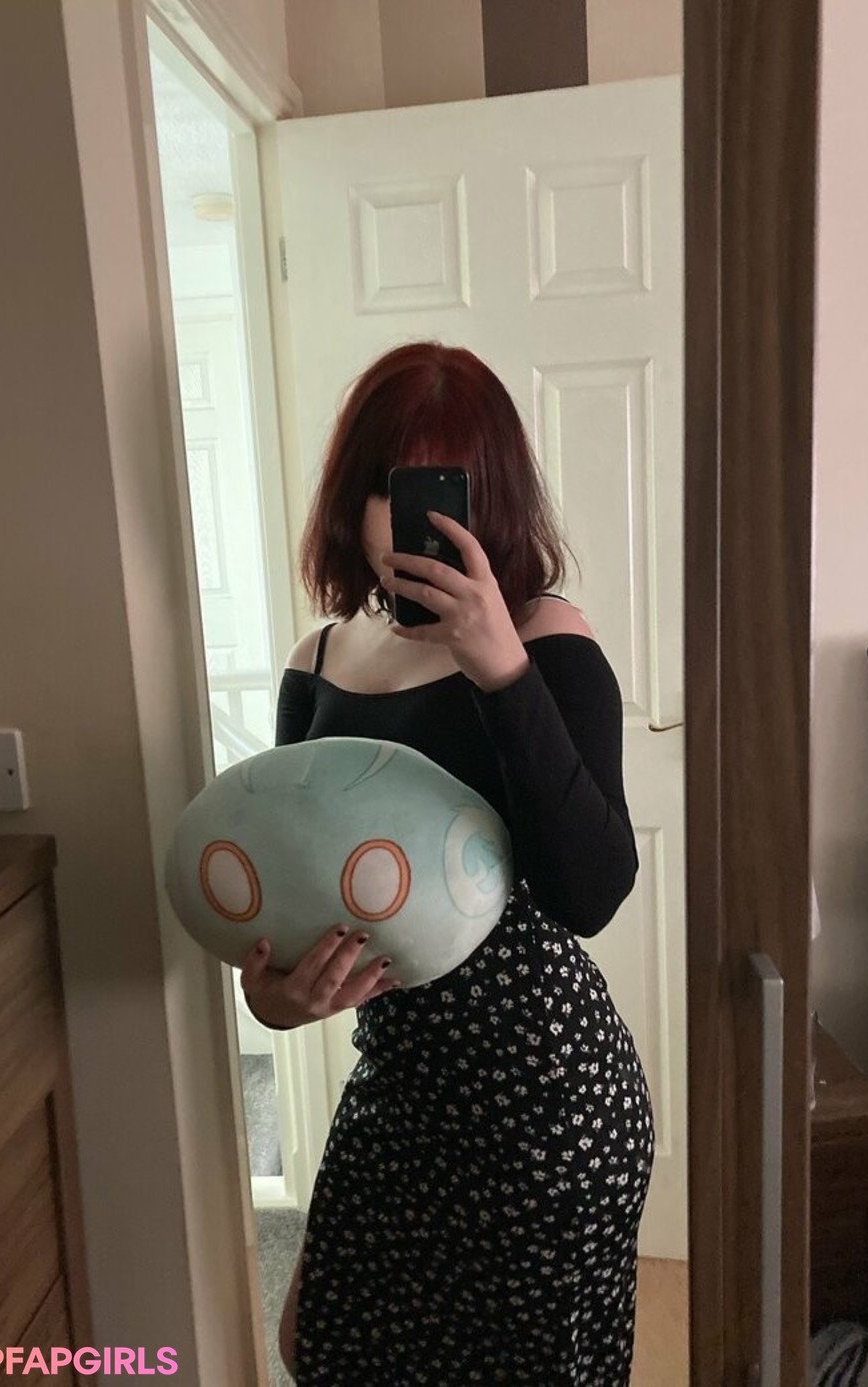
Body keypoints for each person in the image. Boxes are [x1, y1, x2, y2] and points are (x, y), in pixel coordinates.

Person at [240, 342, 654, 1385]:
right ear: (355, 501)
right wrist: (275, 1000)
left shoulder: (547, 641)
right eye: (393, 486)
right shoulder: (317, 663)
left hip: (546, 1109)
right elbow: (290, 905)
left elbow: (592, 891)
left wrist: (500, 668)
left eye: (446, 486)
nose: (414, 518)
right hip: (400, 1091)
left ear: (491, 497)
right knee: (326, 1344)